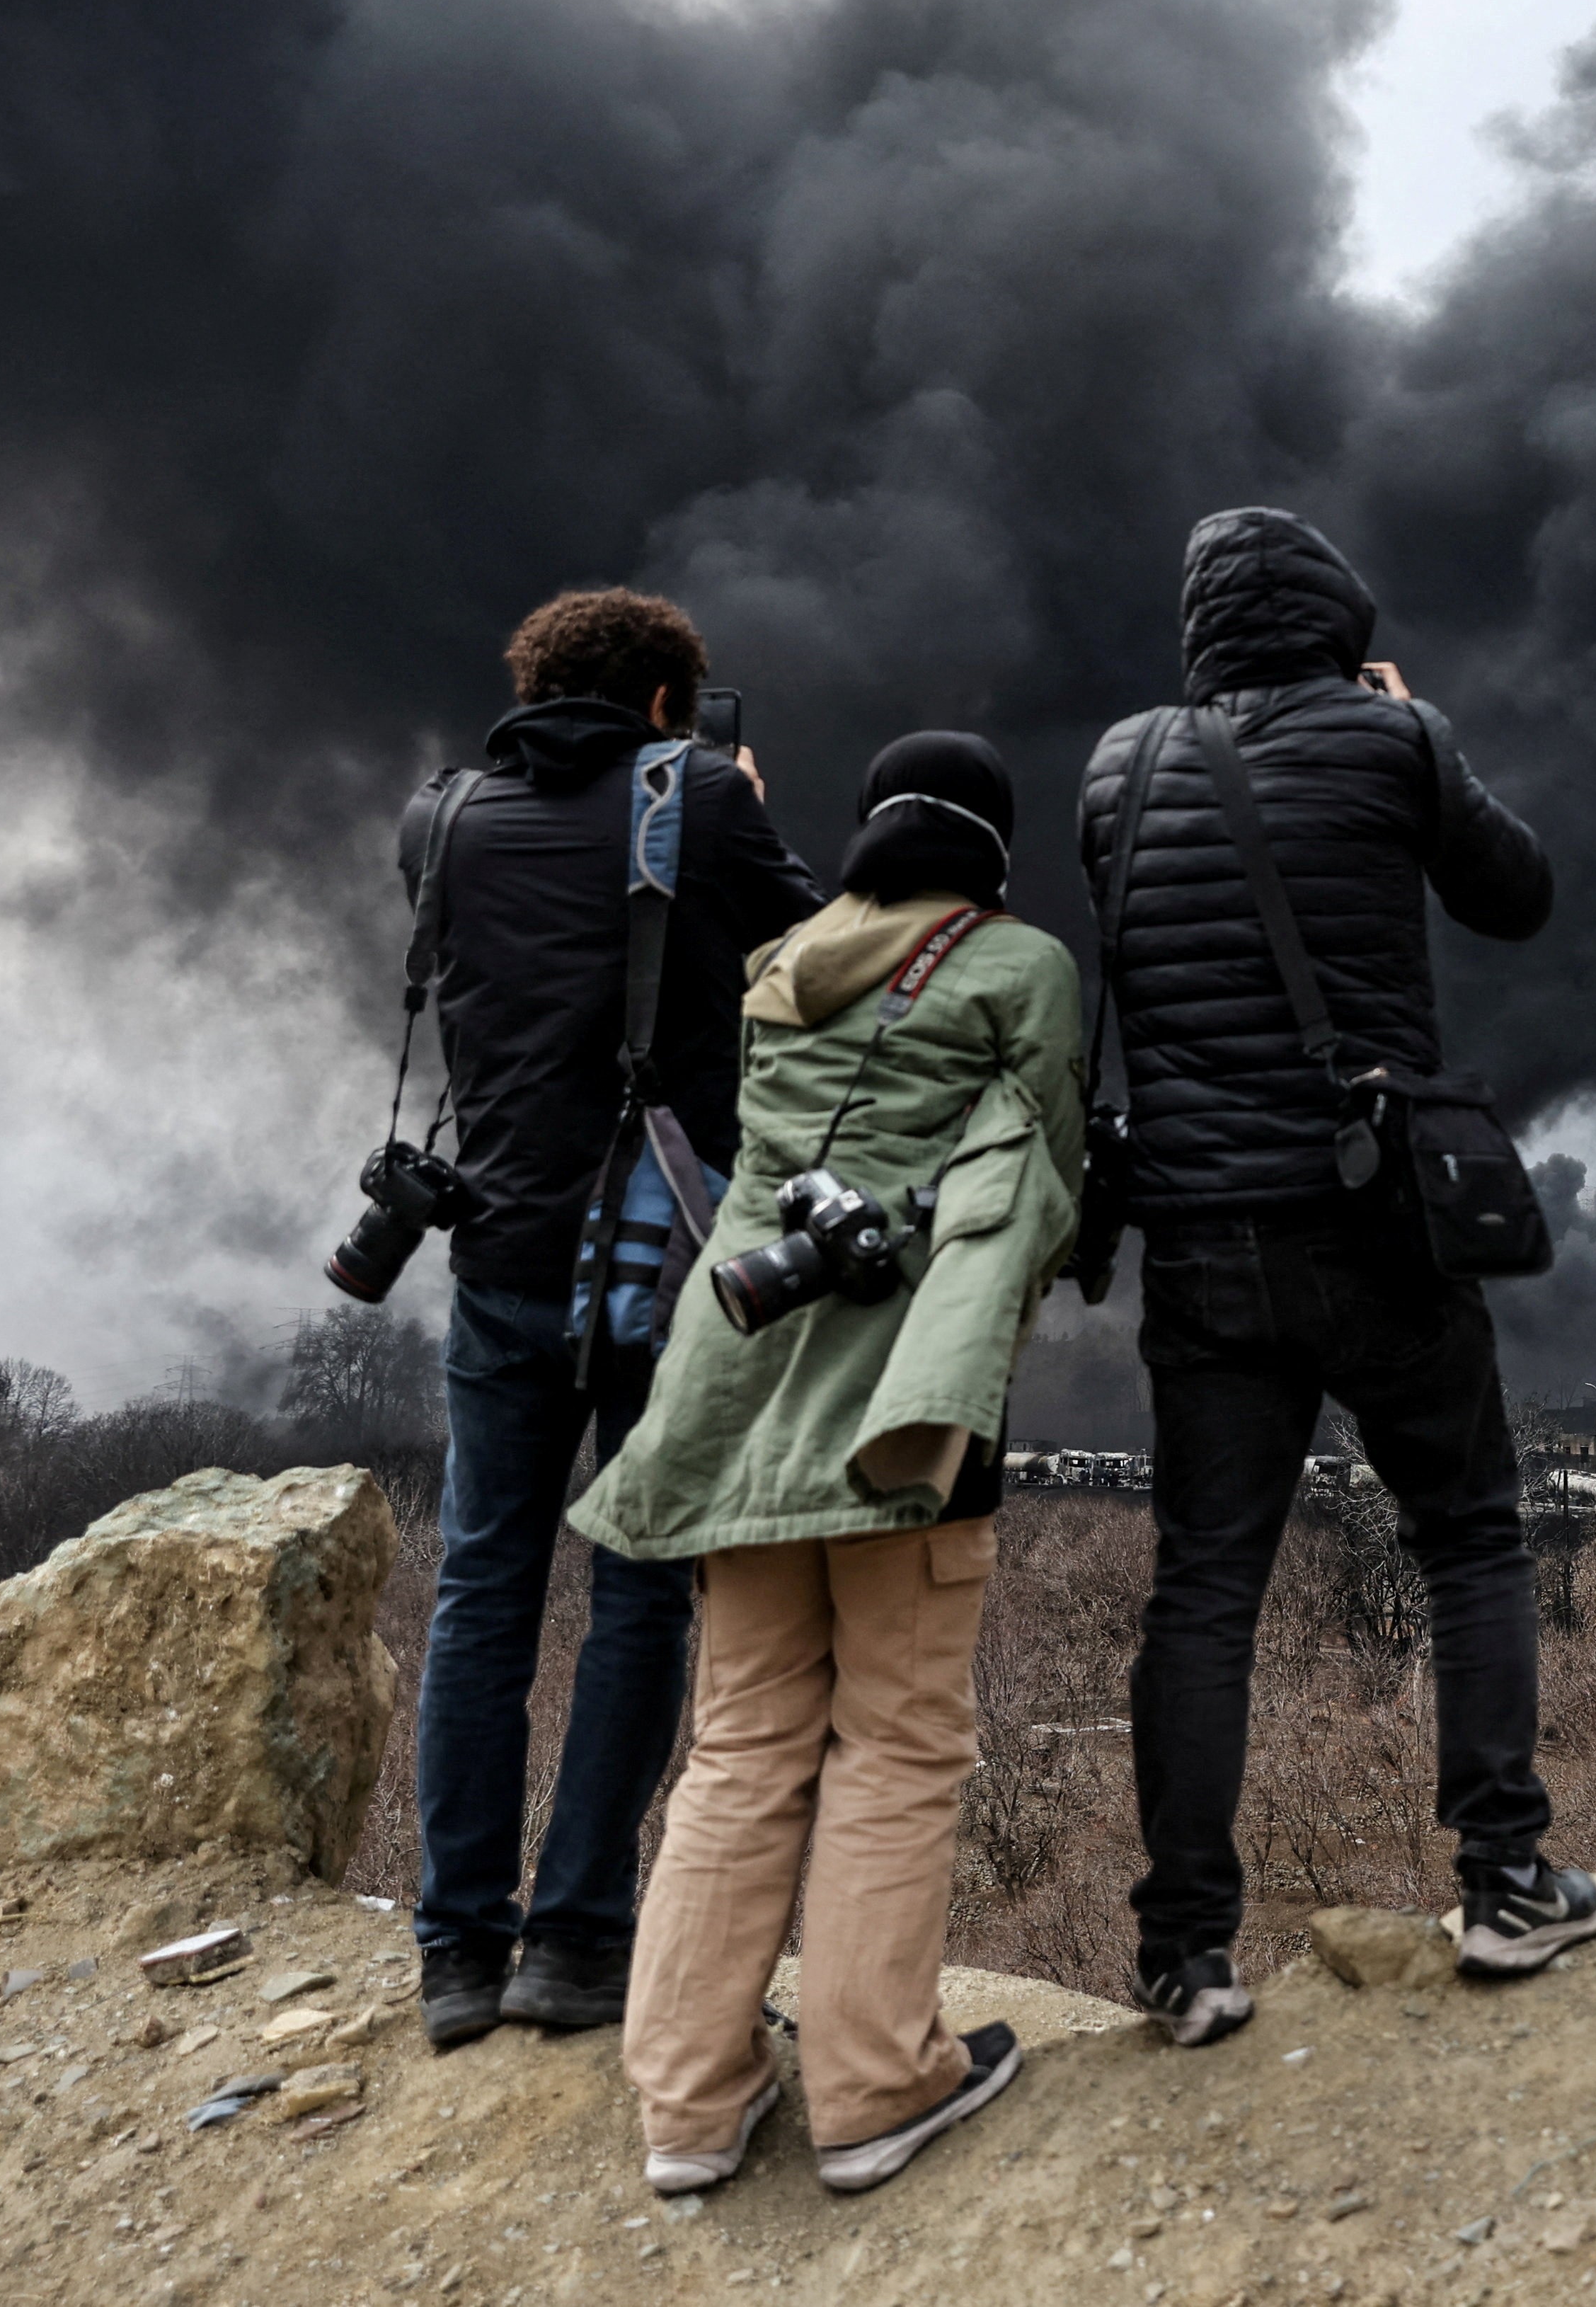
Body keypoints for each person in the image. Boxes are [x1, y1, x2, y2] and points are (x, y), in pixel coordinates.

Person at [1075, 505, 1591, 2049]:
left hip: (1204, 1243)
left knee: (1204, 1590)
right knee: (1471, 1538)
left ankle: (1184, 1956)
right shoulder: (1393, 737)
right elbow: (1517, 891)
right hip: (1378, 1221)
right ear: (1333, 620)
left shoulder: (1120, 764)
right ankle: (1505, 1879)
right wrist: (1408, 731)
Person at [570, 729, 1081, 2197]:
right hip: (898, 1413)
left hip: (733, 1394)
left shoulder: (778, 970)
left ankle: (688, 2101)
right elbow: (1034, 1183)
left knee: (737, 1742)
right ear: (987, 848)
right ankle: (873, 2085)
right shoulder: (1021, 964)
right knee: (902, 1737)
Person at [404, 588, 823, 2049]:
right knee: (639, 1588)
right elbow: (831, 952)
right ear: (664, 700)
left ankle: (456, 1950)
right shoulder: (700, 799)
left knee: (482, 1591)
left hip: (499, 1256)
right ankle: (577, 1942)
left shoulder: (440, 816)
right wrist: (732, 808)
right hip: (658, 1256)